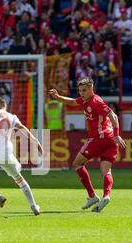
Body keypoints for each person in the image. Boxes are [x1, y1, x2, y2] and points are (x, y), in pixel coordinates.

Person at [49, 77, 126, 212]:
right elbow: (73, 102)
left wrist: (117, 134)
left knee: (77, 164)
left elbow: (113, 116)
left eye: (84, 91)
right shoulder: (86, 100)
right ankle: (106, 196)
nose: (81, 93)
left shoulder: (95, 102)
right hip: (110, 140)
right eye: (79, 91)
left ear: (91, 90)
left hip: (99, 138)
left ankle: (92, 196)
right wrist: (58, 97)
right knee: (106, 171)